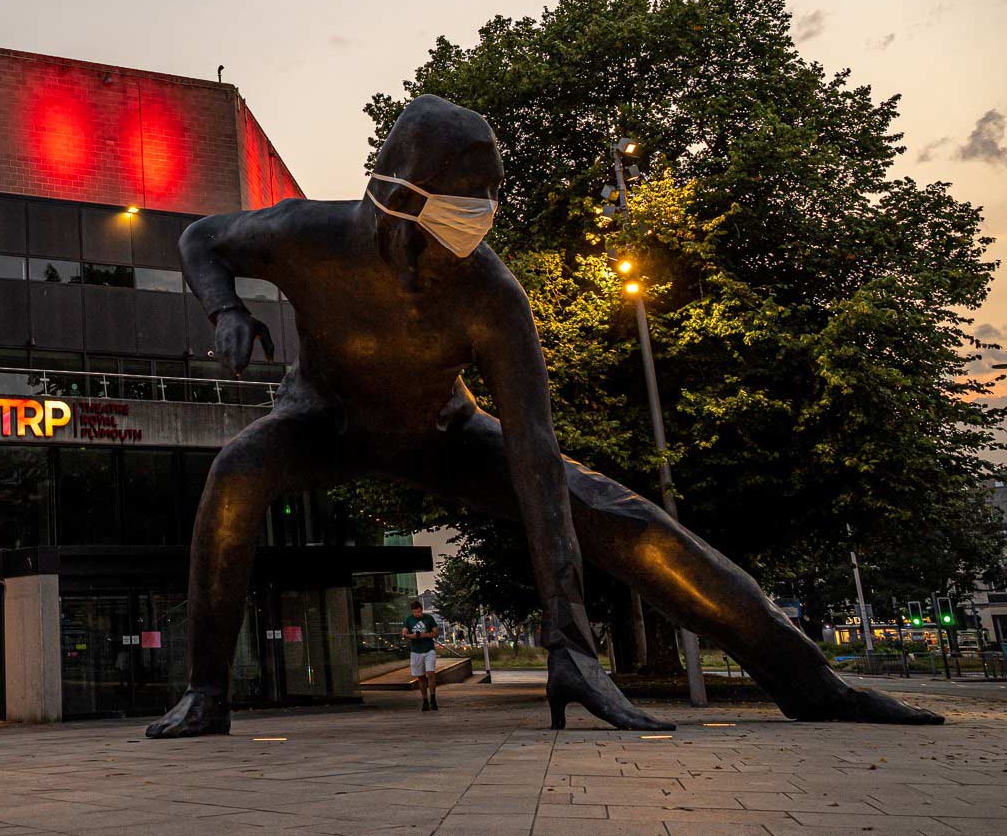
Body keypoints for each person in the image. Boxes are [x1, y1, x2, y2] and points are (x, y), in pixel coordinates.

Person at [146, 94, 941, 737]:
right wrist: (223, 310)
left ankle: (810, 682)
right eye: (472, 195)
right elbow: (201, 238)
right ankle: (206, 693)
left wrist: (569, 632)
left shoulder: (491, 294)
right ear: (399, 196)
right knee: (234, 476)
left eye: (493, 193)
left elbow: (532, 450)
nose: (486, 212)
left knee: (628, 518)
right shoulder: (304, 234)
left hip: (445, 434)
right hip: (322, 421)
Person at [403, 599, 440, 711]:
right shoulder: (408, 619)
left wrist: (426, 635)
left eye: (418, 612)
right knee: (420, 677)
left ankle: (433, 698)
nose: (417, 614)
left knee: (431, 673)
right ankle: (425, 700)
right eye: (415, 612)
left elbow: (436, 633)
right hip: (416, 651)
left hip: (429, 649)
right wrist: (412, 636)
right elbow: (404, 633)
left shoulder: (429, 618)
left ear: (421, 610)